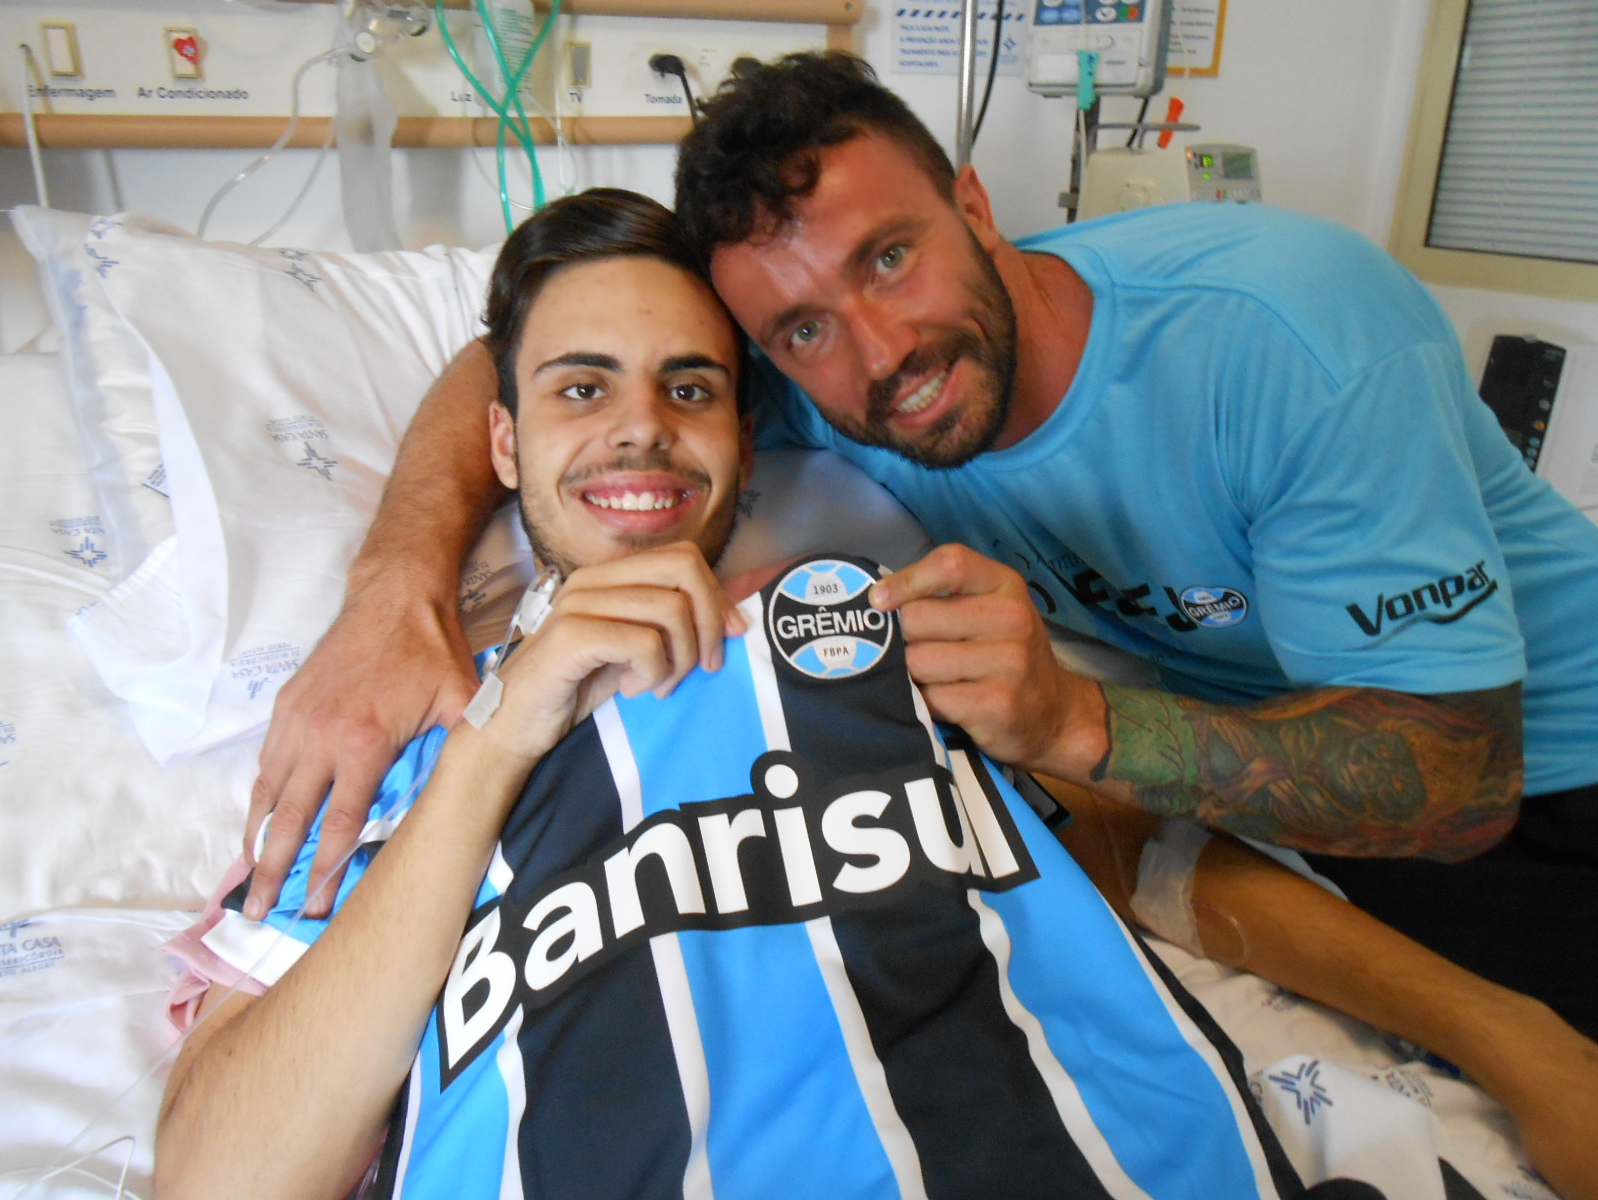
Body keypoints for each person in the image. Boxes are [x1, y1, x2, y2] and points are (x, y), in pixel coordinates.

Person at [242, 53, 1598, 1042]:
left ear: (975, 202)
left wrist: (1080, 724)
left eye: (889, 257)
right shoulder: (800, 376)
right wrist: (393, 591)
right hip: (1294, 775)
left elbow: (1458, 783)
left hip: (1544, 770)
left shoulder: (1283, 339)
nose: (880, 354)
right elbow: (521, 350)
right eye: (802, 331)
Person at [156, 186, 1326, 1200]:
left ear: (746, 438)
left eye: (688, 388)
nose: (640, 433)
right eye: (580, 391)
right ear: (501, 445)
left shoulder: (876, 627)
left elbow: (1145, 862)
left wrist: (1496, 1030)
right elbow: (220, 1177)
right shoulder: (389, 743)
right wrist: (501, 732)